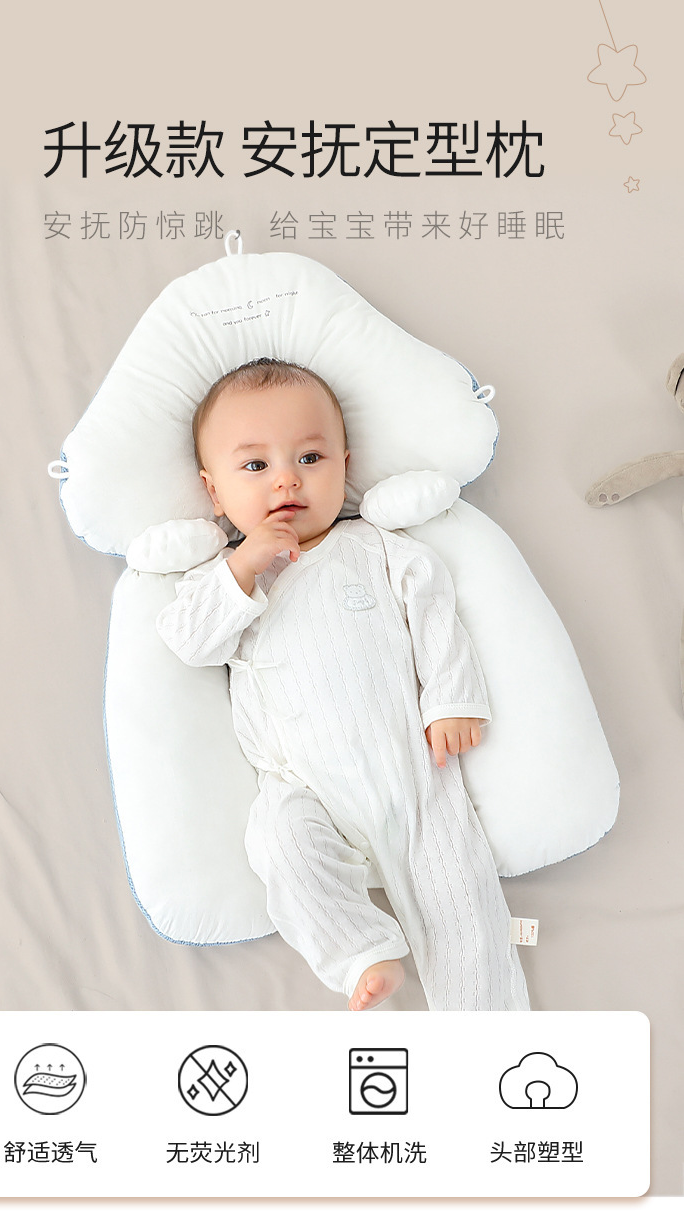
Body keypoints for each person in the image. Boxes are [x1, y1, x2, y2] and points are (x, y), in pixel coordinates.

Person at [156, 358, 529, 1012]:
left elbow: (435, 616)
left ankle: (488, 1044)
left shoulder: (378, 550)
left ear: (345, 466)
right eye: (255, 466)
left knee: (461, 906)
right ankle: (360, 950)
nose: (286, 480)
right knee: (278, 843)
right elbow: (189, 640)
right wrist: (243, 565)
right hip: (303, 787)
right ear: (214, 493)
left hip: (413, 772)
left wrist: (451, 700)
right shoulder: (224, 578)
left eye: (310, 458)